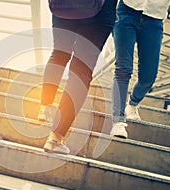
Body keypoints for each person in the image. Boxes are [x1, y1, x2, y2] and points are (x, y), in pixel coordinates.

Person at [38, 0, 118, 154]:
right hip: (100, 10)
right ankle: (55, 138)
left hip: (65, 6)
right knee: (81, 70)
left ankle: (44, 107)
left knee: (59, 54)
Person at [111, 0, 170, 138]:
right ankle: (118, 122)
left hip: (154, 20)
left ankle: (132, 104)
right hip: (126, 11)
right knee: (123, 68)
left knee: (148, 77)